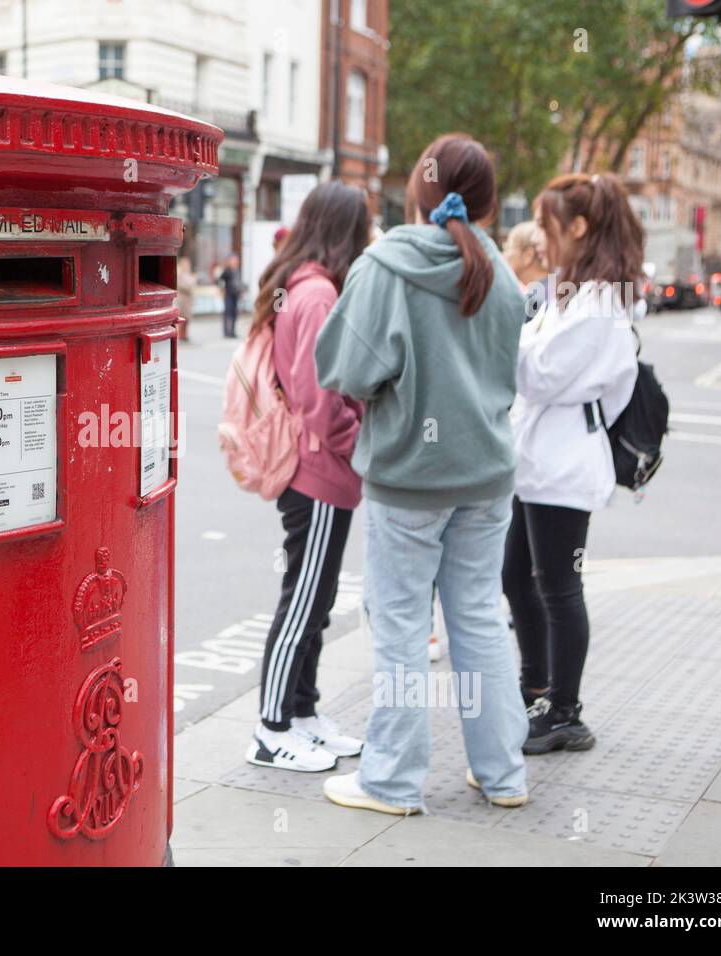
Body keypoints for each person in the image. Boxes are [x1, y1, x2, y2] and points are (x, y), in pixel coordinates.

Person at [314, 133, 530, 814]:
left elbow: (345, 368)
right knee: (480, 619)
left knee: (403, 627)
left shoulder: (387, 266)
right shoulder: (502, 274)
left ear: (417, 191)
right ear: (488, 203)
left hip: (408, 478)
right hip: (486, 476)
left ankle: (392, 780)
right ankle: (503, 774)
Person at [503, 172, 641, 754]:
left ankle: (564, 711)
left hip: (563, 465)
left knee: (558, 585)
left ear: (579, 227)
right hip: (538, 460)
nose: (539, 236)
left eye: (547, 223)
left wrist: (505, 335)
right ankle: (536, 688)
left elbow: (539, 374)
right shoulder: (573, 292)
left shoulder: (600, 302)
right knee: (516, 576)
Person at [245, 182, 372, 773]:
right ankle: (271, 729)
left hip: (319, 471)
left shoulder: (302, 286)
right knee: (303, 602)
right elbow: (318, 400)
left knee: (316, 599)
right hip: (320, 471)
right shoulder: (318, 293)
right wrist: (359, 443)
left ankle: (301, 713)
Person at [503, 220, 550, 322]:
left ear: (528, 256)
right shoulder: (551, 290)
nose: (504, 255)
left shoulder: (533, 302)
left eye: (507, 247)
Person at [217, 253, 242, 338]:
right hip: (228, 295)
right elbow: (220, 280)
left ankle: (232, 331)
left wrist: (240, 291)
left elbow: (239, 283)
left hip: (235, 295)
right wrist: (221, 290)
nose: (235, 261)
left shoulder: (237, 270)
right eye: (233, 260)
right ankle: (227, 332)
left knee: (234, 313)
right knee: (228, 313)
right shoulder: (227, 271)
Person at [176, 255, 196, 344]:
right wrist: (189, 286)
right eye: (186, 264)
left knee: (187, 318)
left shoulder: (189, 274)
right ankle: (180, 335)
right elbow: (181, 285)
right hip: (182, 299)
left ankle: (185, 335)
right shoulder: (179, 274)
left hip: (188, 300)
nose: (187, 266)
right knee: (182, 318)